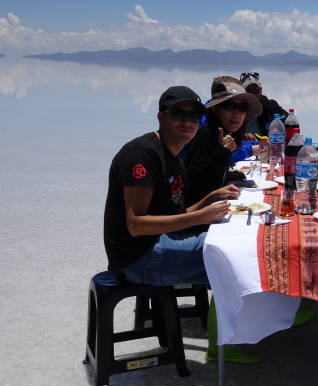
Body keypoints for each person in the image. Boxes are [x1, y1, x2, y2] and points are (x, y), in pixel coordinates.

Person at [103, 86, 240, 286]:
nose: (187, 122)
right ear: (161, 117)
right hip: (138, 258)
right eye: (178, 114)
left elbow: (177, 215)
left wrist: (211, 197)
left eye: (194, 116)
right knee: (233, 253)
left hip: (161, 241)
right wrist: (201, 217)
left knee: (234, 251)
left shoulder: (175, 159)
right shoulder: (142, 155)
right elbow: (136, 225)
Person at [183, 79, 263, 208]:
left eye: (242, 108)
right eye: (229, 106)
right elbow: (193, 182)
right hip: (198, 214)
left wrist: (226, 176)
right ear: (216, 109)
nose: (236, 113)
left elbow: (211, 176)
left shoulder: (229, 134)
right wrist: (222, 152)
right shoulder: (204, 135)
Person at [240, 72, 288, 137]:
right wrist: (241, 136)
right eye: (249, 91)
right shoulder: (237, 108)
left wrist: (277, 129)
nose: (253, 94)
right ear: (242, 92)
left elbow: (290, 122)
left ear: (261, 91)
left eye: (256, 91)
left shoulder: (270, 106)